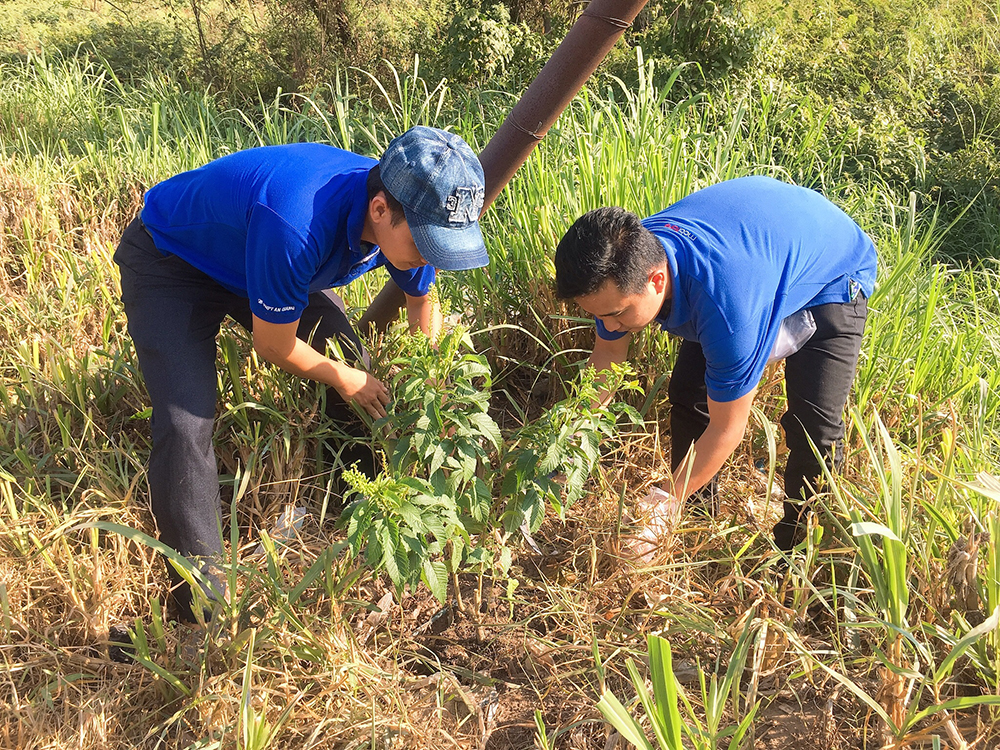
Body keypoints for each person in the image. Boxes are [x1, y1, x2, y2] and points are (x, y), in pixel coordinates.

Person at [114, 125, 488, 618]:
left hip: (262, 255)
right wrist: (341, 377)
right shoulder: (298, 222)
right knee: (186, 423)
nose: (430, 256)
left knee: (352, 361)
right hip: (174, 261)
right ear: (379, 210)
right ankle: (200, 603)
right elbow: (272, 345)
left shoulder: (401, 208)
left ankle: (361, 502)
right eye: (426, 244)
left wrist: (431, 372)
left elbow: (423, 298)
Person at [553, 176, 877, 556]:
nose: (608, 327)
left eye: (615, 315)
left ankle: (797, 554)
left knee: (813, 431)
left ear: (656, 279)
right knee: (689, 395)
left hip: (833, 272)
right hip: (763, 241)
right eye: (598, 316)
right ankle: (695, 518)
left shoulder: (727, 310)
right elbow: (607, 360)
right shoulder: (619, 266)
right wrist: (565, 448)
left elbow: (729, 427)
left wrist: (662, 502)